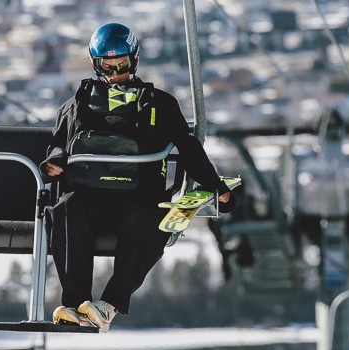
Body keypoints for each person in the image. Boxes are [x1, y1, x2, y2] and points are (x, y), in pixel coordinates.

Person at [40, 22, 235, 332]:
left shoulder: (159, 104)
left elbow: (189, 149)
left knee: (151, 219)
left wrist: (216, 187)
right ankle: (75, 304)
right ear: (95, 65)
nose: (115, 73)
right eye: (107, 66)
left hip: (139, 196)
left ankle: (109, 304)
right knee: (64, 210)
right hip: (88, 196)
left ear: (135, 61)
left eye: (122, 64)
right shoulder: (77, 105)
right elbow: (58, 146)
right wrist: (53, 164)